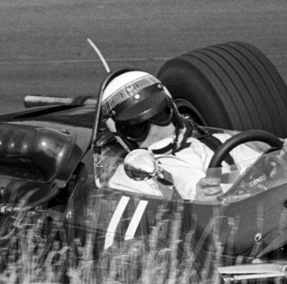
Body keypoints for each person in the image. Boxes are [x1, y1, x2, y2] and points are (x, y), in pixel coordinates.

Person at [99, 70, 262, 200]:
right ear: (120, 134)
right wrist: (199, 205)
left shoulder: (218, 142)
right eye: (137, 127)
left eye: (160, 115)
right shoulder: (130, 177)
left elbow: (268, 171)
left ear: (173, 111)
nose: (155, 129)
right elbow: (151, 234)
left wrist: (283, 161)